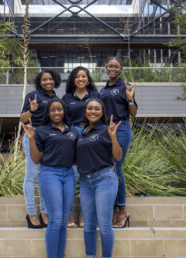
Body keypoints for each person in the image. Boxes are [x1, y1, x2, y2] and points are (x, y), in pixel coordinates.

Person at [22, 97, 78, 258]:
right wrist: (32, 139)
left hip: (68, 175)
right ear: (48, 113)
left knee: (63, 221)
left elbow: (76, 156)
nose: (56, 112)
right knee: (55, 219)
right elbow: (36, 159)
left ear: (64, 111)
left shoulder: (72, 132)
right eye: (52, 110)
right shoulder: (41, 131)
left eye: (59, 109)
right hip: (50, 174)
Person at [76, 98, 122, 258]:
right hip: (85, 181)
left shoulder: (106, 130)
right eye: (89, 108)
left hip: (104, 179)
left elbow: (117, 156)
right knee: (88, 225)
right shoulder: (82, 133)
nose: (93, 111)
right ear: (85, 111)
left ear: (102, 112)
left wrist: (113, 136)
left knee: (104, 224)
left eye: (97, 109)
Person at [100, 56, 138, 228]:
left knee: (116, 167)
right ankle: (114, 209)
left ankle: (122, 210)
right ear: (106, 68)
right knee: (109, 168)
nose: (113, 69)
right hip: (106, 131)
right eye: (110, 66)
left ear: (121, 69)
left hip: (121, 129)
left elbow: (134, 112)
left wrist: (130, 98)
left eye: (116, 66)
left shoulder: (125, 86)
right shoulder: (103, 89)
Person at [20, 70, 61, 228]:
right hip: (34, 134)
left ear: (55, 80)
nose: (48, 82)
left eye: (51, 79)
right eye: (44, 79)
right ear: (40, 81)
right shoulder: (33, 96)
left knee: (45, 175)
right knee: (31, 175)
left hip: (49, 138)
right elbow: (22, 119)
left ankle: (45, 212)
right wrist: (31, 110)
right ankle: (31, 213)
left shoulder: (56, 98)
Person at [62, 66, 99, 228]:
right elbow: (61, 118)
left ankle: (84, 214)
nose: (81, 79)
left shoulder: (95, 96)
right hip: (72, 134)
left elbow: (101, 114)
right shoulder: (67, 97)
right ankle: (70, 214)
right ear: (73, 80)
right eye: (77, 76)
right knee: (73, 176)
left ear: (88, 79)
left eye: (84, 76)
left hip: (90, 133)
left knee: (88, 176)